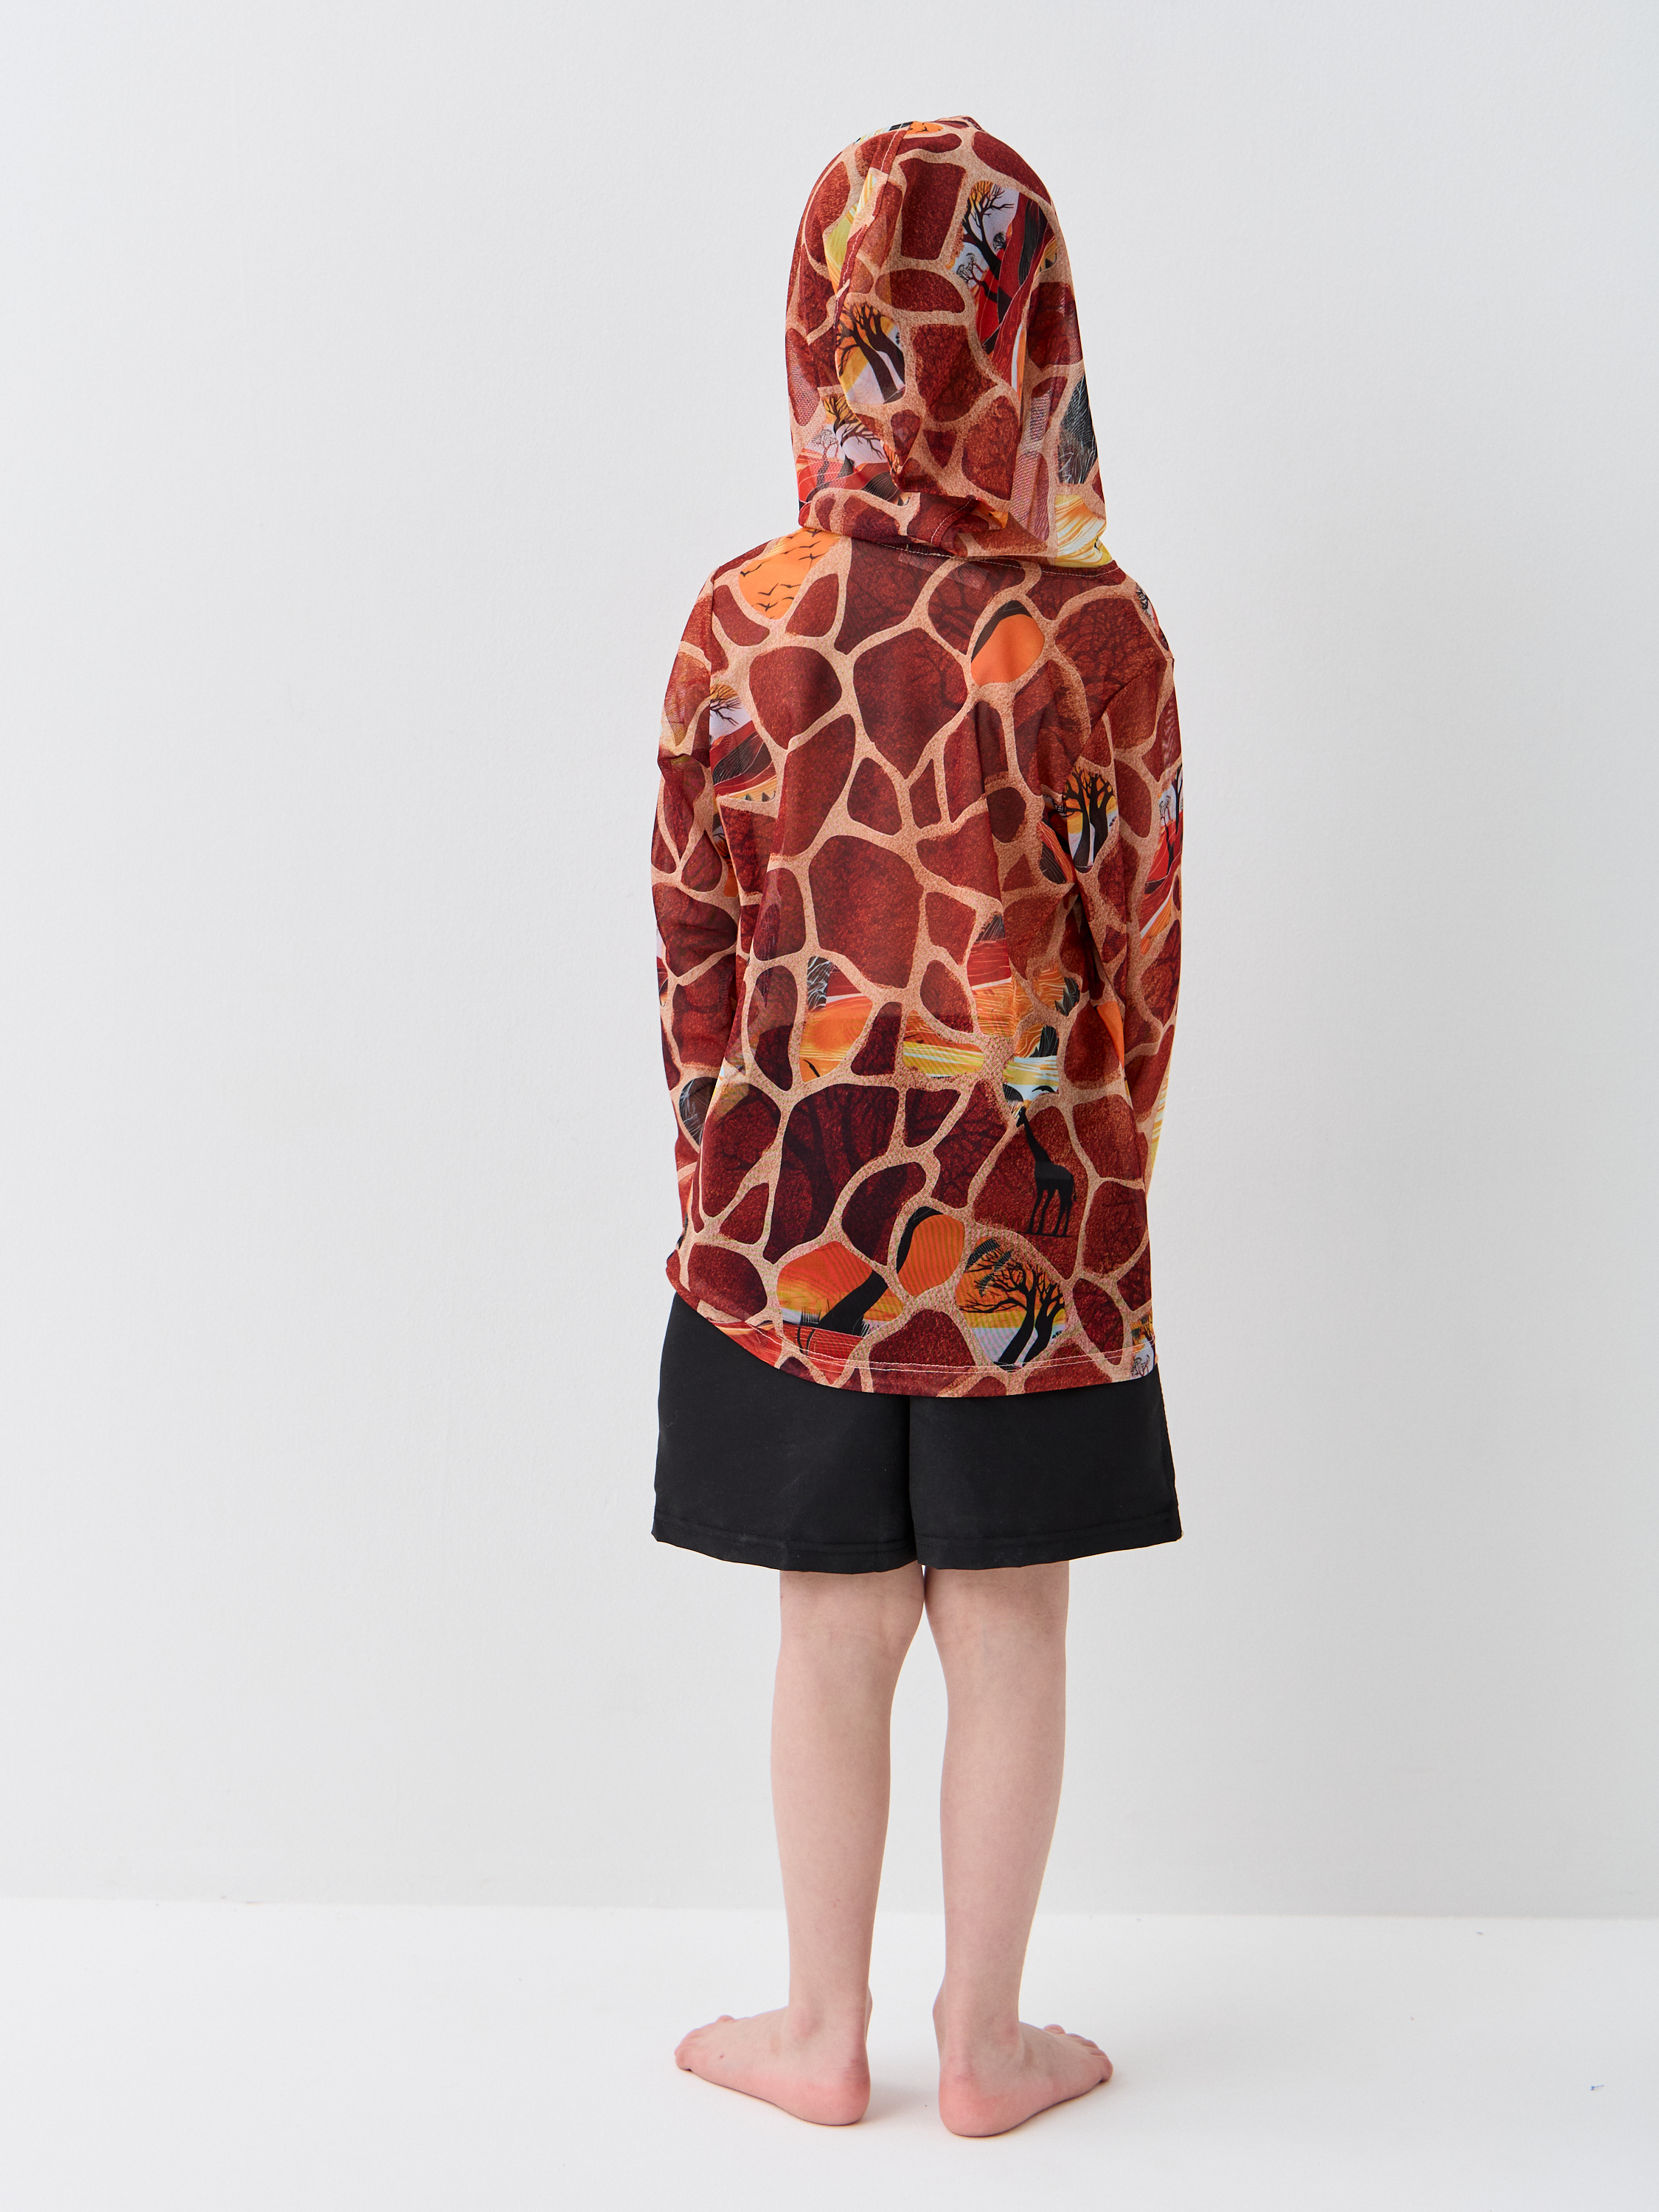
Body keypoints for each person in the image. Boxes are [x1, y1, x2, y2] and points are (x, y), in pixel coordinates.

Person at [649, 116, 1183, 2138]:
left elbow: (692, 937)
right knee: (1012, 1611)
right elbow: (1140, 954)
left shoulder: (744, 617)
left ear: (817, 321)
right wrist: (1107, 1189)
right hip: (1031, 1207)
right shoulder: (1101, 632)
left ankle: (817, 2030)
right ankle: (987, 2039)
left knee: (832, 1616)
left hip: (790, 1197)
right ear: (1030, 325)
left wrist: (716, 1170)